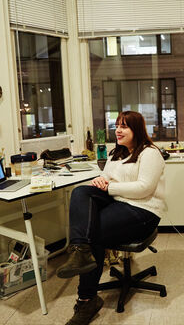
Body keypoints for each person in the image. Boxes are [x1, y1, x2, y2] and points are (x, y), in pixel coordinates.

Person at [56, 111, 166, 325]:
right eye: (116, 125)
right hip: (119, 203)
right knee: (80, 192)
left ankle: (86, 300)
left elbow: (144, 188)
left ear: (137, 130)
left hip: (144, 211)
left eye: (124, 126)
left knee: (93, 233)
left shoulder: (150, 153)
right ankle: (80, 251)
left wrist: (110, 187)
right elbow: (106, 176)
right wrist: (100, 181)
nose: (117, 130)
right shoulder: (117, 153)